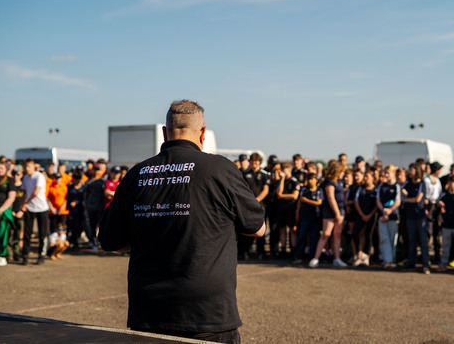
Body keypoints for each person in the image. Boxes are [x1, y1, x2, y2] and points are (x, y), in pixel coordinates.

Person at [99, 100, 265, 343]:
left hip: (149, 310)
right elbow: (257, 228)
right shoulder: (220, 169)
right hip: (206, 312)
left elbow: (111, 241)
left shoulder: (136, 174)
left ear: (165, 134)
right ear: (203, 133)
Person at [309, 162, 347, 268]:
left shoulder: (340, 182)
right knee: (326, 234)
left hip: (340, 210)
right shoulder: (329, 182)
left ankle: (337, 258)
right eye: (342, 172)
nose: (343, 174)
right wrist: (337, 213)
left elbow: (342, 196)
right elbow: (331, 198)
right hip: (330, 211)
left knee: (337, 234)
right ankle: (316, 258)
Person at [401, 164, 430, 274]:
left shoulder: (422, 183)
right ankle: (411, 263)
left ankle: (425, 264)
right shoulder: (407, 183)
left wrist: (407, 200)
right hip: (410, 216)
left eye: (412, 171)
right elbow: (402, 190)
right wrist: (405, 194)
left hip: (420, 215)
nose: (410, 172)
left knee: (423, 241)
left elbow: (418, 199)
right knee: (411, 240)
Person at [21, 159, 50, 265]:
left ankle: (41, 255)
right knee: (27, 233)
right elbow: (25, 192)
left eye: (28, 166)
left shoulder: (39, 177)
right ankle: (25, 255)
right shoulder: (25, 178)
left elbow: (35, 192)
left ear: (34, 166)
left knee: (42, 234)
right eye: (25, 166)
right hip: (30, 208)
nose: (26, 168)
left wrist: (26, 202)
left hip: (42, 208)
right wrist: (23, 204)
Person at [376, 165, 402, 269]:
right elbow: (378, 200)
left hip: (393, 216)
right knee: (384, 238)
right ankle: (387, 260)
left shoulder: (397, 186)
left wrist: (390, 211)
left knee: (392, 239)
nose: (386, 175)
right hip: (382, 216)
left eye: (388, 173)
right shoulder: (381, 186)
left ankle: (392, 259)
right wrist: (383, 211)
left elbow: (398, 201)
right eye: (385, 173)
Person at [293, 173, 323, 263]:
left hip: (315, 218)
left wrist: (306, 200)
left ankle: (312, 256)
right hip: (304, 217)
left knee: (314, 238)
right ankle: (298, 256)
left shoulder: (319, 190)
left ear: (316, 180)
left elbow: (319, 202)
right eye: (309, 179)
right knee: (301, 237)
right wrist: (297, 213)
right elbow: (300, 200)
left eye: (312, 179)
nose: (310, 181)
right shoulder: (304, 189)